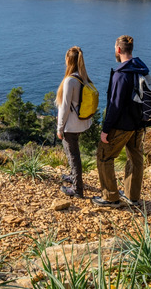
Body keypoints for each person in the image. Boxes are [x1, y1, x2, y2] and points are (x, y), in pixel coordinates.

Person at [92, 35, 151, 208]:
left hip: (122, 125)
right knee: (135, 158)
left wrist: (105, 129)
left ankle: (110, 197)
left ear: (118, 49)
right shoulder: (141, 69)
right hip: (139, 124)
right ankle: (132, 197)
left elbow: (114, 105)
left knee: (104, 156)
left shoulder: (121, 74)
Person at [55, 46, 94, 198]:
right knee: (73, 152)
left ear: (68, 60)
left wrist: (59, 128)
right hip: (81, 122)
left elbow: (64, 107)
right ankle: (73, 176)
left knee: (73, 155)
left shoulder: (70, 80)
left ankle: (77, 189)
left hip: (70, 125)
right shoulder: (83, 77)